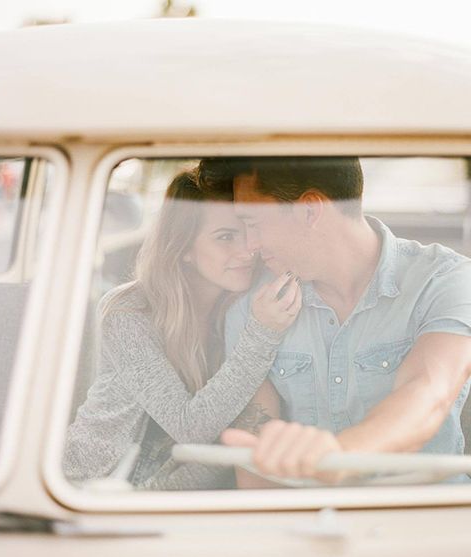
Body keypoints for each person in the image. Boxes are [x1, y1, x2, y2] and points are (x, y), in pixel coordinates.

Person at [197, 157, 471, 482]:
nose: (250, 245)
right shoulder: (254, 310)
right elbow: (255, 456)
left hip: (423, 521)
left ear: (310, 210)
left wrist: (337, 457)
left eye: (254, 224)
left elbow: (427, 393)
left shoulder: (447, 280)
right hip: (306, 525)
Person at [63, 168, 302, 490]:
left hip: (178, 496)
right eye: (225, 237)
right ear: (184, 248)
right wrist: (262, 334)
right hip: (88, 487)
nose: (248, 250)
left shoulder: (251, 306)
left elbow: (234, 436)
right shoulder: (128, 311)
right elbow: (190, 427)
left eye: (249, 232)